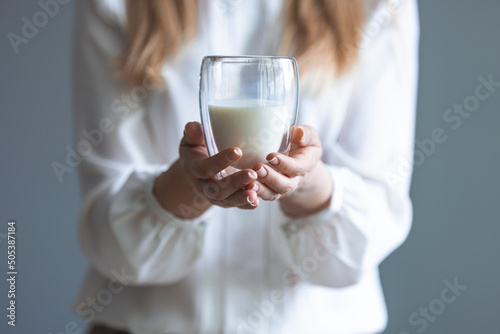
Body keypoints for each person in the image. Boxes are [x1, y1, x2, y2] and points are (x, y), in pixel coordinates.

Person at [72, 0, 419, 333]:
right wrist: (187, 184)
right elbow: (107, 236)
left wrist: (309, 186)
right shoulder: (117, 4)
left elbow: (378, 216)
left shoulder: (376, 5)